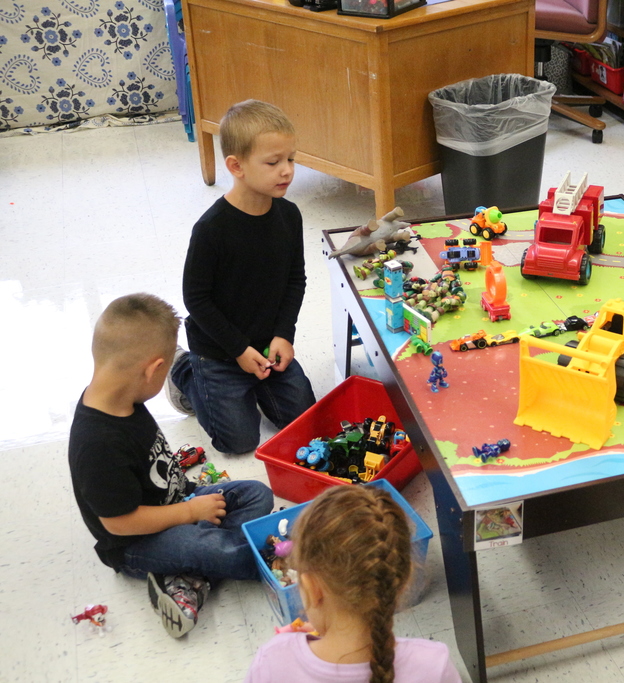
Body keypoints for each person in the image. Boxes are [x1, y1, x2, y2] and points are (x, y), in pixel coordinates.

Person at [69, 294, 275, 638]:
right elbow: (118, 524)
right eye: (165, 370)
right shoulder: (97, 443)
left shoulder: (124, 395)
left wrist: (192, 507)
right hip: (135, 544)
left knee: (255, 494)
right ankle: (272, 564)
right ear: (152, 369)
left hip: (179, 502)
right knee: (211, 547)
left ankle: (188, 580)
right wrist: (190, 514)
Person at [166, 99, 316, 454]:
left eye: (291, 159)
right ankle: (185, 370)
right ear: (236, 166)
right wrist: (237, 350)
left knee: (305, 421)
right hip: (218, 351)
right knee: (238, 442)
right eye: (273, 162)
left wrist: (284, 334)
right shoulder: (211, 230)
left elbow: (296, 279)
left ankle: (259, 385)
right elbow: (196, 299)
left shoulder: (289, 216)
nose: (287, 171)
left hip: (266, 343)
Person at [245, 486, 461, 683]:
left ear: (311, 588)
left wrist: (288, 649)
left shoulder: (272, 662)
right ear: (402, 583)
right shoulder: (434, 666)